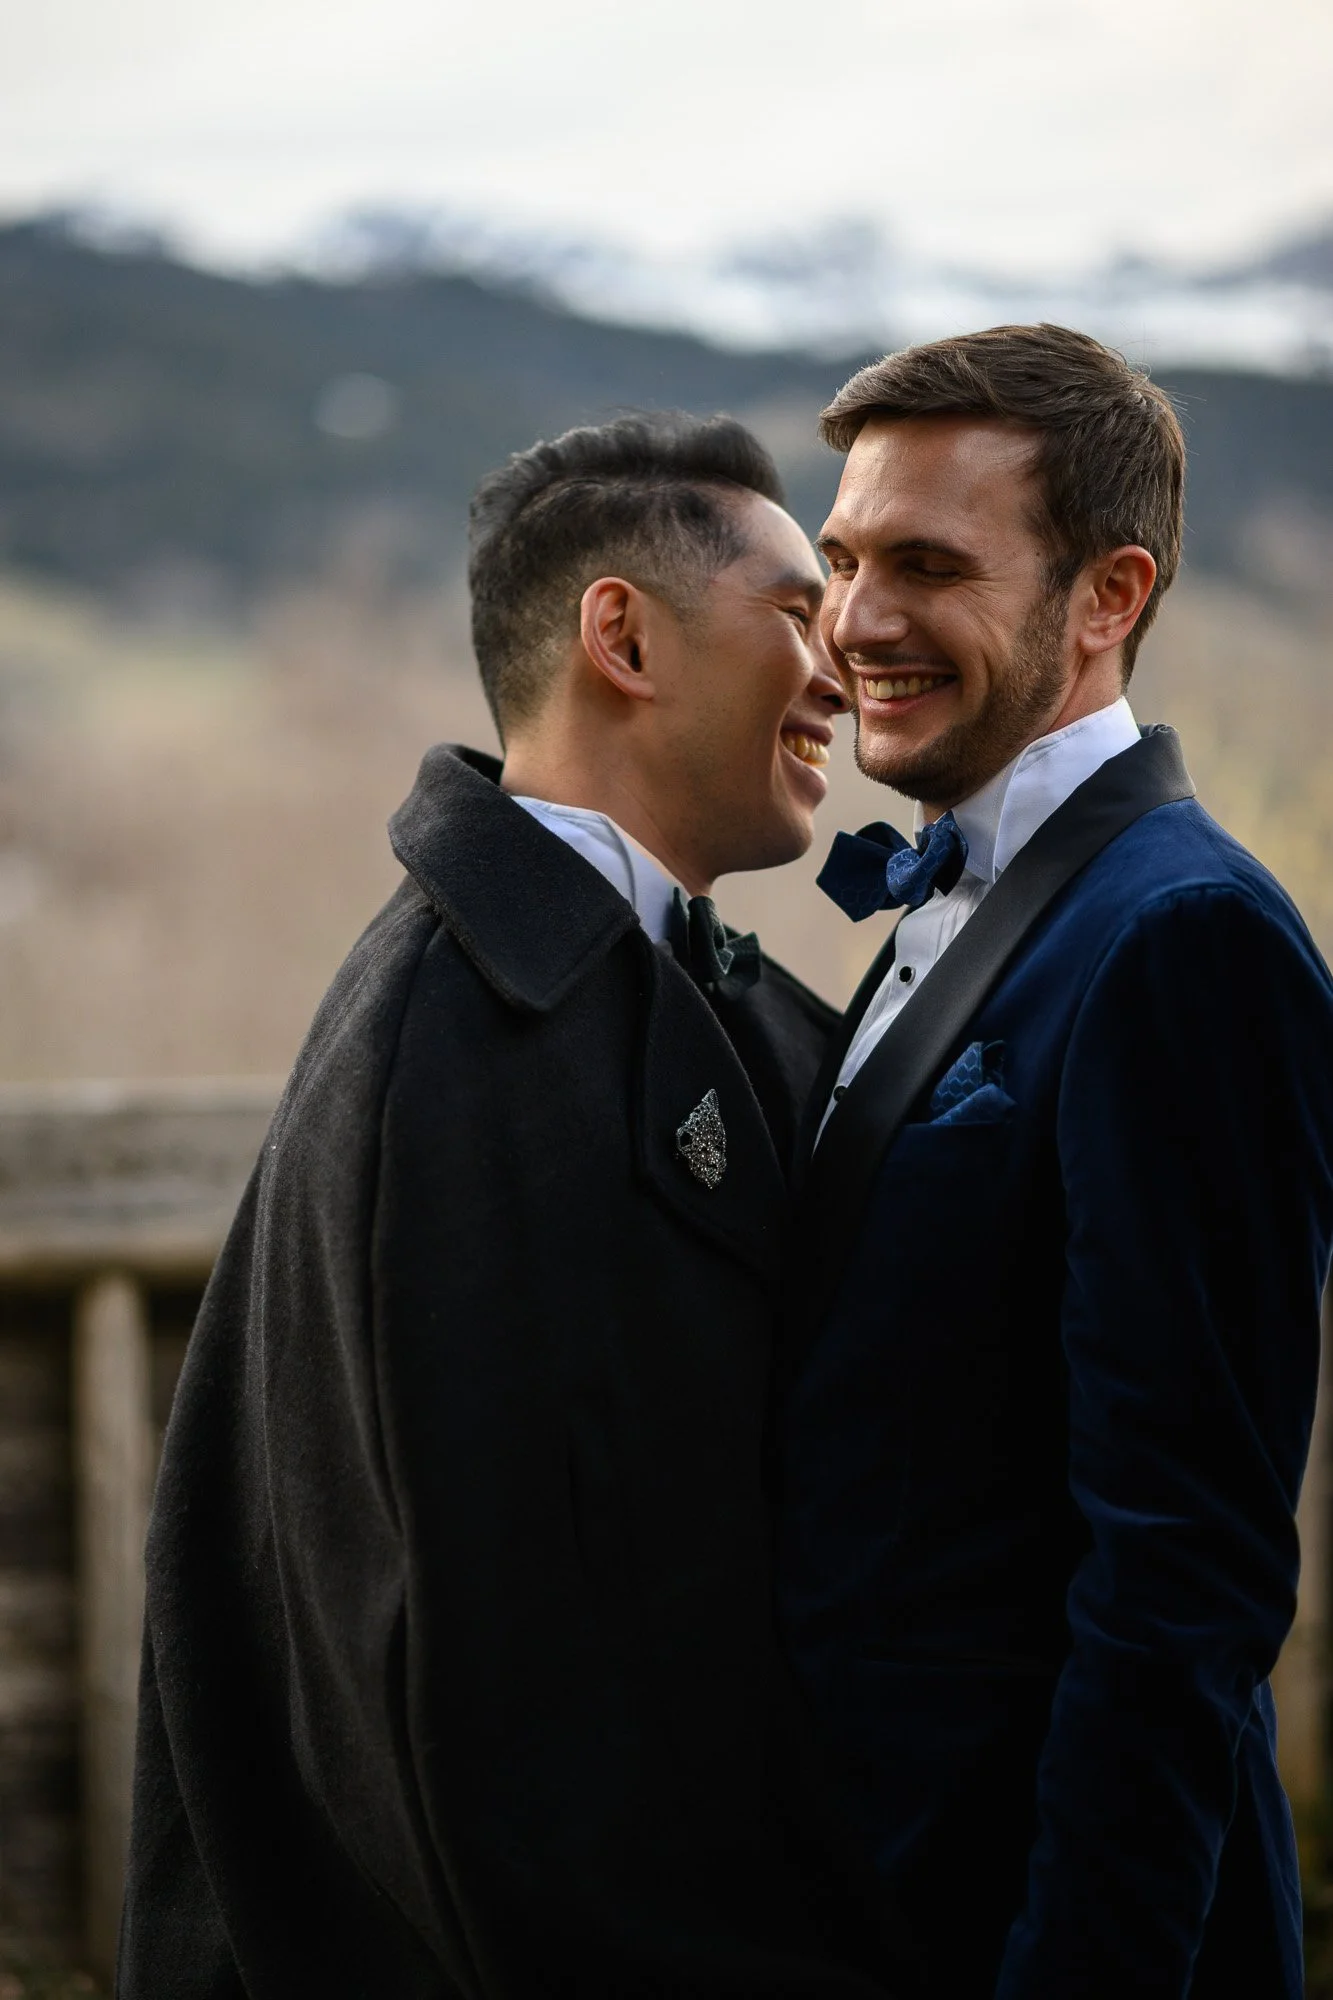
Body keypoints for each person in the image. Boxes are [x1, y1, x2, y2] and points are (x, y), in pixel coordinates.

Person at [119, 412, 887, 1998]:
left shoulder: (629, 987)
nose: (841, 668)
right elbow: (467, 1696)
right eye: (798, 612)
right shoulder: (457, 1056)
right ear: (623, 635)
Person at [776, 324, 1333, 1999]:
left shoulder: (1185, 940)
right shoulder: (969, 893)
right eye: (844, 557)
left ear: (1109, 596)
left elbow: (1184, 1582)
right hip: (874, 1892)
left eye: (929, 566)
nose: (857, 622)